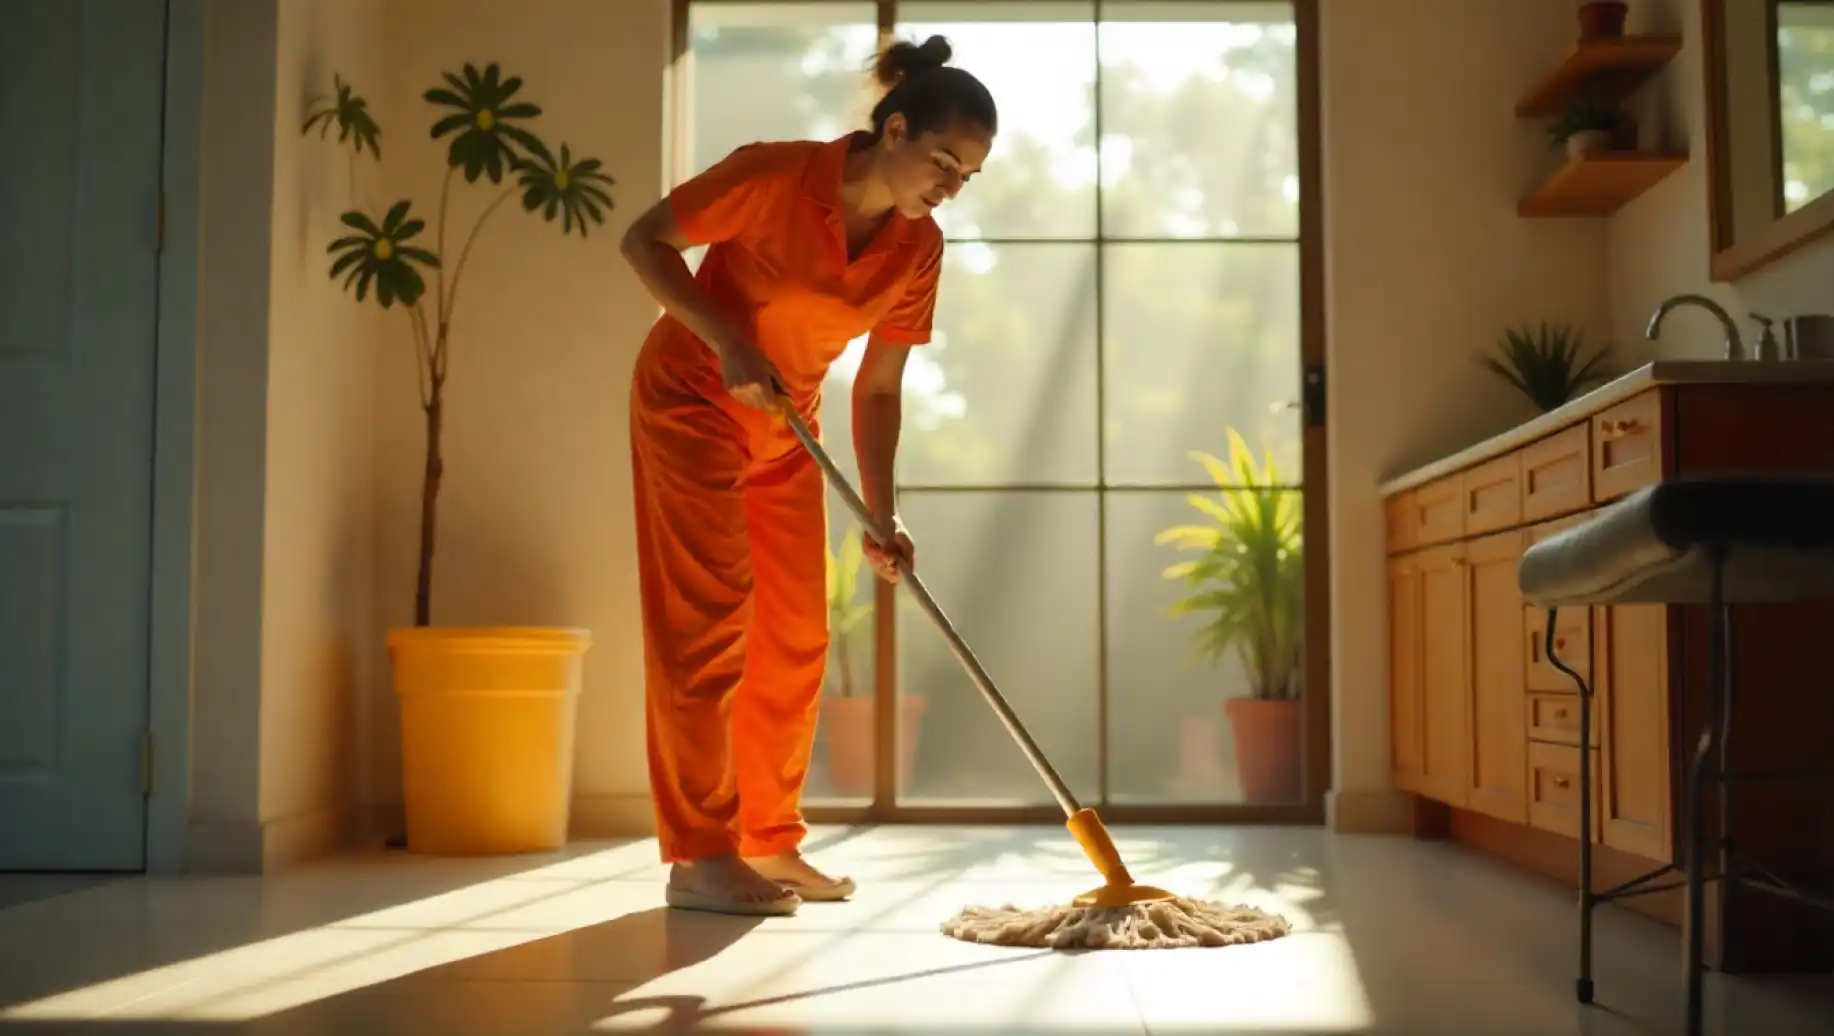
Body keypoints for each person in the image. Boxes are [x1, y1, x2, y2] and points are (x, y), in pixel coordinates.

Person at [618, 35, 998, 916]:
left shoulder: (918, 248)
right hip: (692, 399)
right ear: (894, 130)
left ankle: (767, 839)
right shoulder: (776, 175)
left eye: (968, 176)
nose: (950, 186)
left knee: (795, 636)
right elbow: (644, 241)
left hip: (786, 427)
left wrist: (881, 513)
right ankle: (700, 854)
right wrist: (727, 341)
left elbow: (880, 387)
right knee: (706, 628)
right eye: (944, 162)